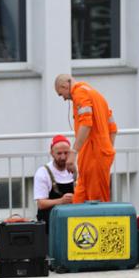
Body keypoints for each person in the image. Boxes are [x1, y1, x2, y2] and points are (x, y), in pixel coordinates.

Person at [54, 74, 117, 203]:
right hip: (95, 156)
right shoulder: (95, 94)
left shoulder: (79, 94)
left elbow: (86, 124)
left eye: (62, 94)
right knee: (80, 201)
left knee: (96, 203)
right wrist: (107, 149)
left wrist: (73, 153)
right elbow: (113, 128)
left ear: (65, 86)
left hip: (94, 155)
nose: (64, 99)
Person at [33, 134, 75, 232]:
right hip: (50, 222)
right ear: (52, 153)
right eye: (59, 153)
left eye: (66, 153)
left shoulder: (76, 170)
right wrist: (61, 201)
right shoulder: (43, 172)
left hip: (72, 220)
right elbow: (41, 204)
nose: (63, 157)